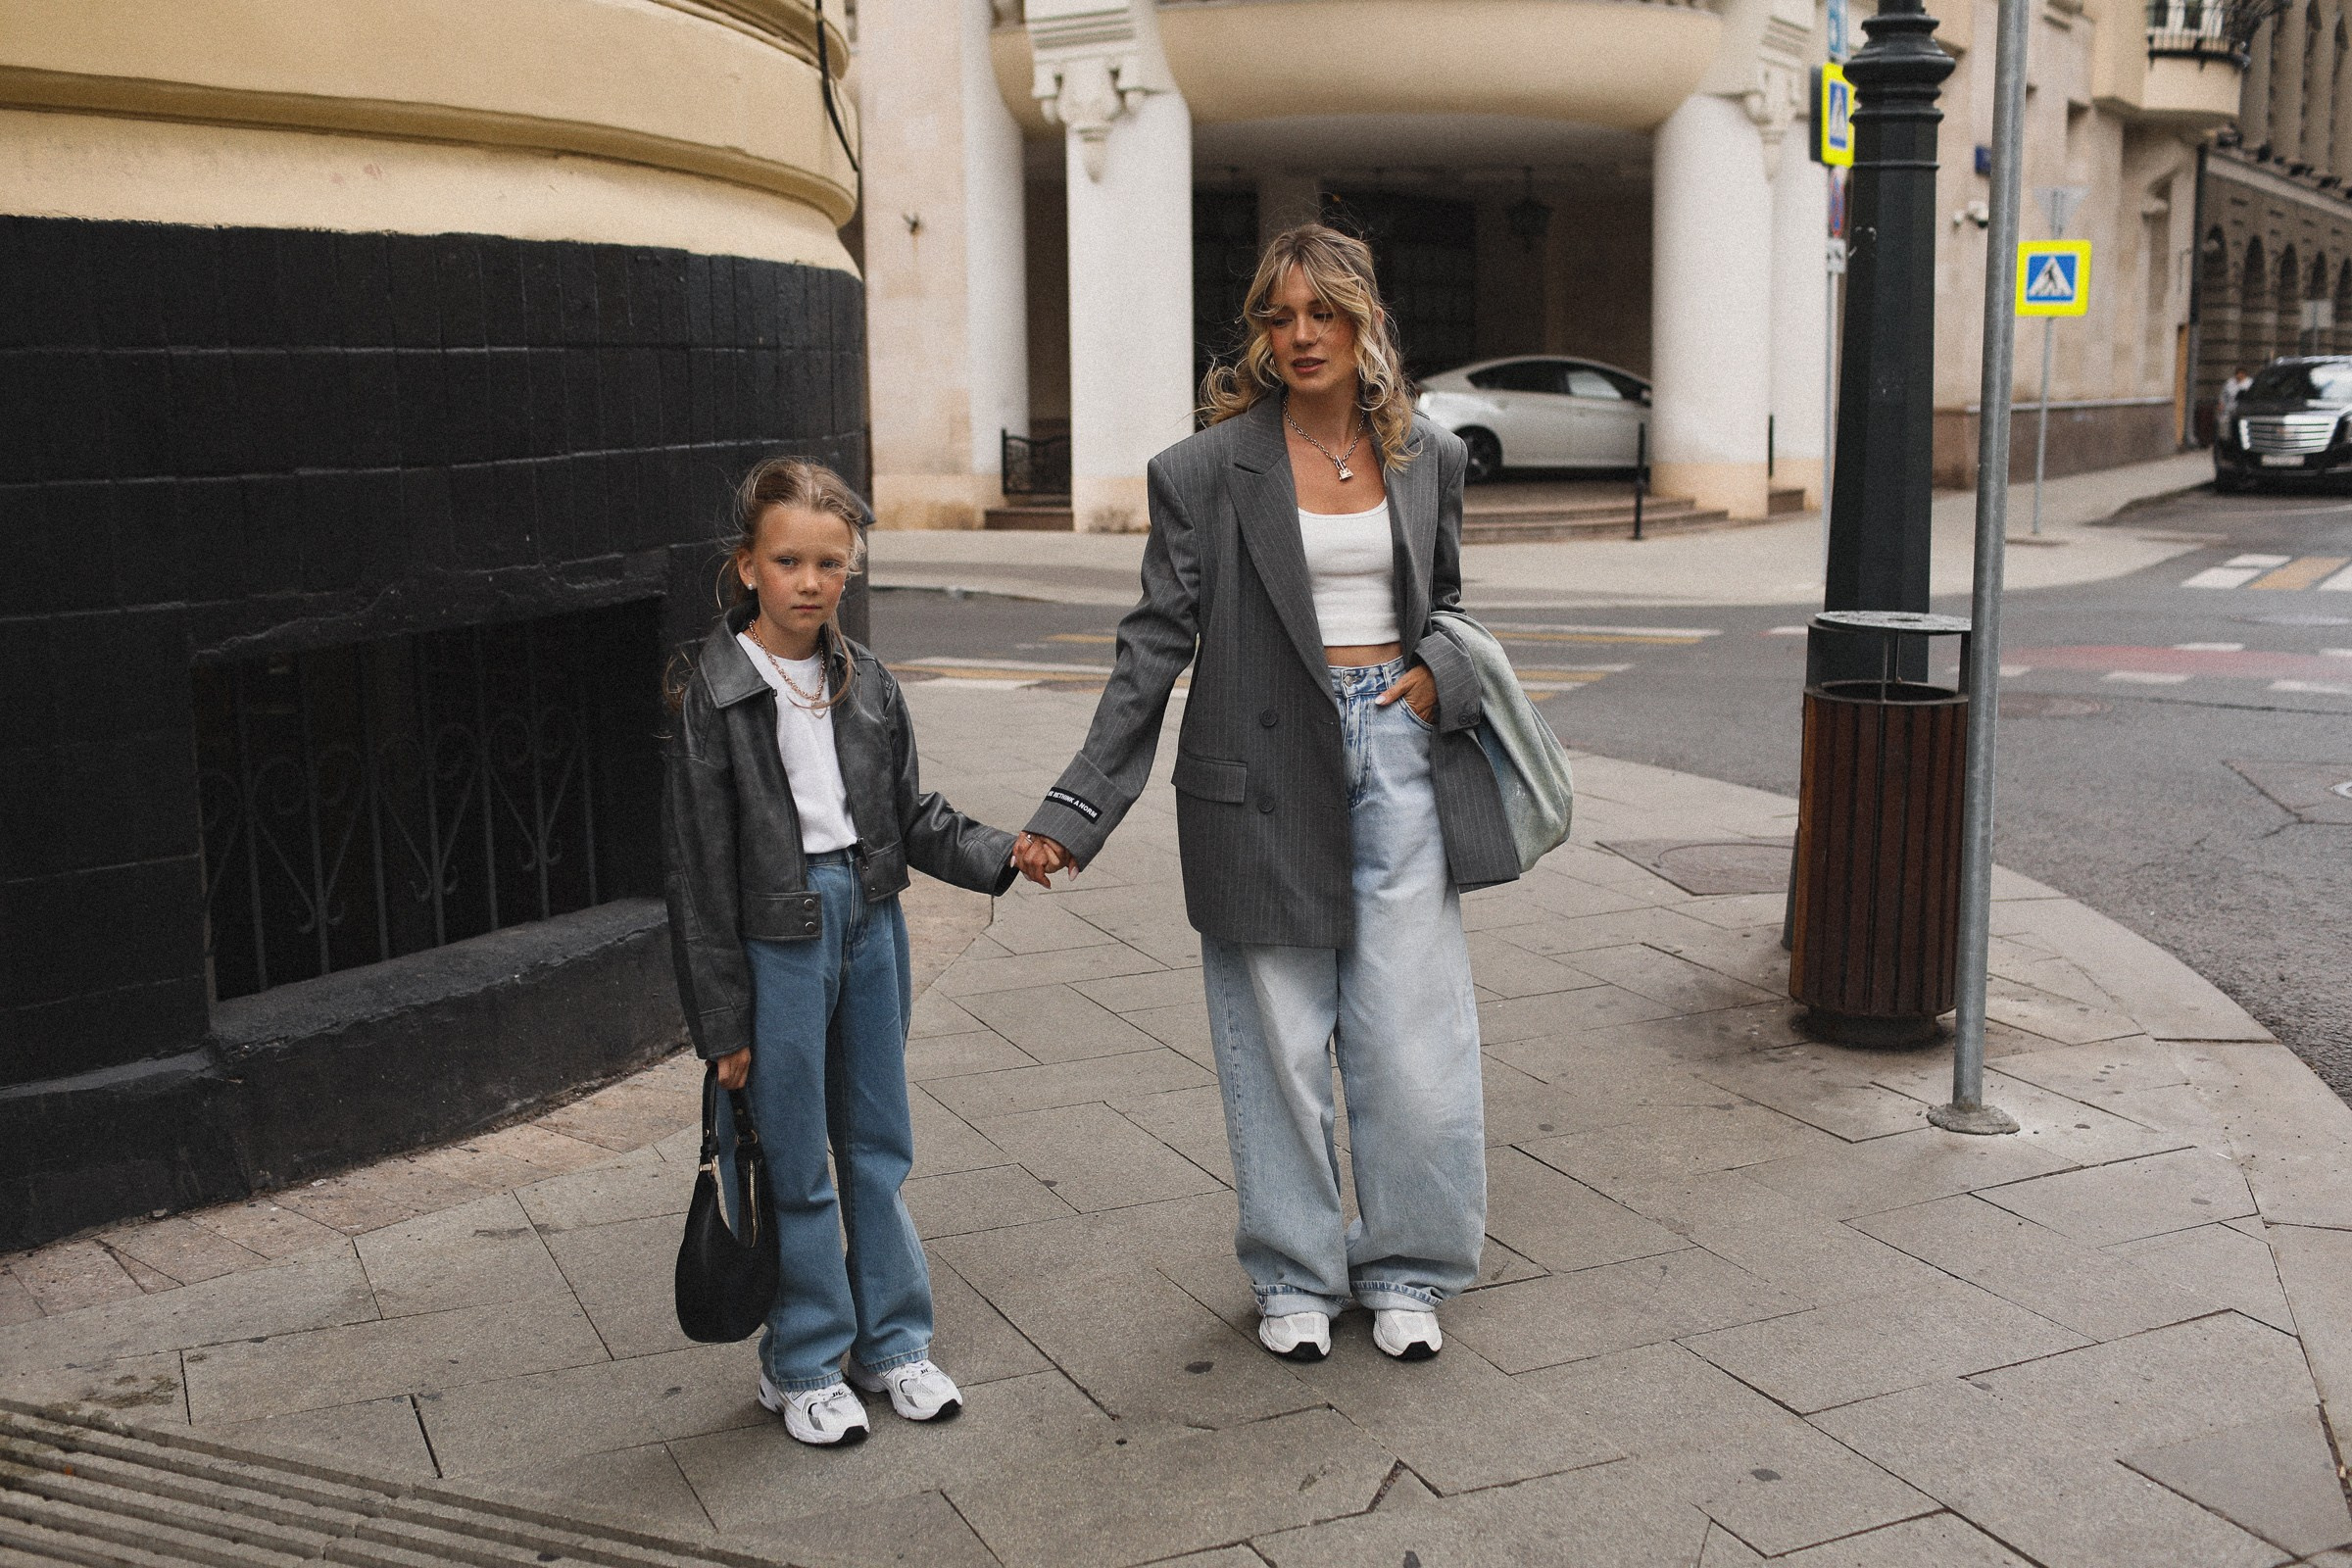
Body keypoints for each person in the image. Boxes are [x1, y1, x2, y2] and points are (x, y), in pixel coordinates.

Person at [1012, 224, 1517, 1364]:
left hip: (1400, 755)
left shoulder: (1426, 454)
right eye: (1279, 316)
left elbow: (1445, 600)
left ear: (1363, 321)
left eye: (1323, 312)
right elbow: (1154, 642)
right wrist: (1077, 805)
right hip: (1259, 768)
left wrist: (1439, 669)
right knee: (1277, 1046)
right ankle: (1295, 1269)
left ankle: (1408, 1263)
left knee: (1413, 1043)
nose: (1300, 335)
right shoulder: (1204, 471)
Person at [662, 458, 1031, 1446]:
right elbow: (698, 875)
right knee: (794, 1157)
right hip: (774, 938)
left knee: (877, 1142)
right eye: (789, 561)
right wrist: (722, 1024)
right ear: (748, 566)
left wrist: (1004, 852)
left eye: (831, 563)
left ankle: (893, 1343)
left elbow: (909, 814)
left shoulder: (864, 681)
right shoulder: (719, 692)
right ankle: (803, 1362)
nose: (811, 581)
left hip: (870, 919)